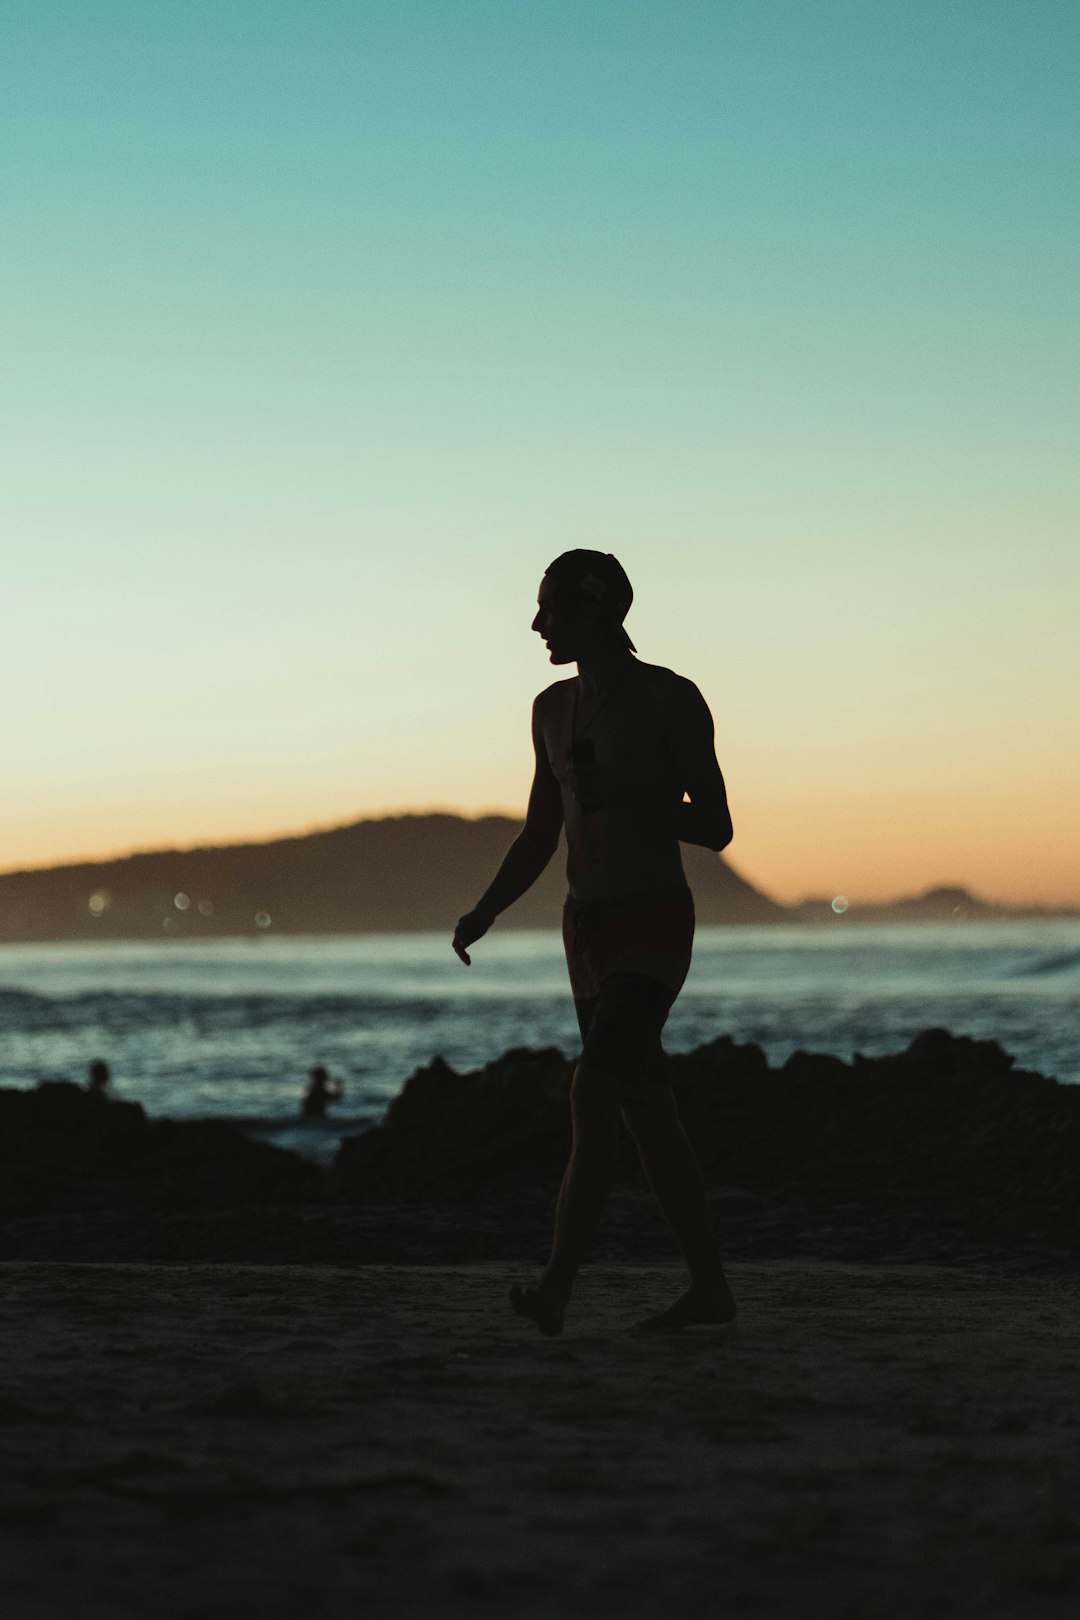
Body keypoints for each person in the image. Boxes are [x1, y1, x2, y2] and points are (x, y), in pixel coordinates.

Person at [452, 550, 737, 1335]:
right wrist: (485, 911)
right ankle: (710, 1289)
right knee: (646, 1112)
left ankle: (555, 1290)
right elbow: (542, 831)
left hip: (654, 921)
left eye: (551, 609)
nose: (538, 624)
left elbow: (715, 826)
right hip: (587, 929)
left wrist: (638, 797)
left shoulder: (670, 699)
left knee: (592, 1090)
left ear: (598, 610)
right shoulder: (550, 709)